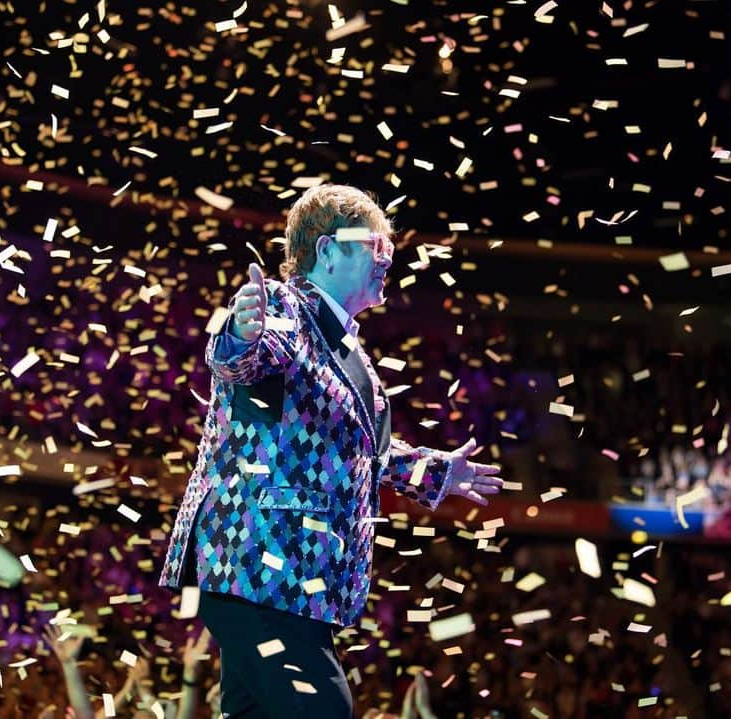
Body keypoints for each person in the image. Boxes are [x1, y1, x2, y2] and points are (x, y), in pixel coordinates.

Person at [158, 184, 503, 717]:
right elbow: (243, 357)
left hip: (295, 584)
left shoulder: (348, 347)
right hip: (258, 570)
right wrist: (241, 334)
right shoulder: (284, 307)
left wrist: (436, 473)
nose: (387, 256)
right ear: (326, 251)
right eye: (374, 244)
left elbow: (362, 453)